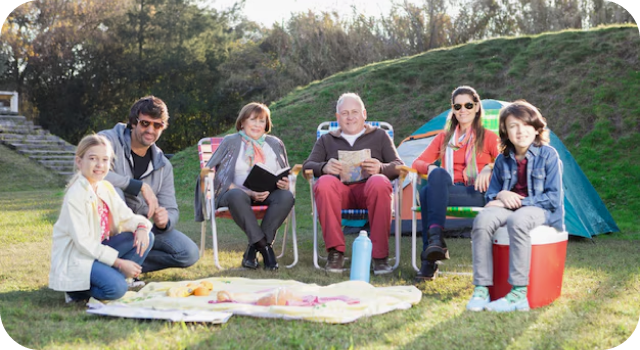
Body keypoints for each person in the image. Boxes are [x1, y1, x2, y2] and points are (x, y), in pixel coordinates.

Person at [466, 100, 564, 312]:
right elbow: (492, 195)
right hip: (507, 206)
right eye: (513, 126)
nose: (520, 131)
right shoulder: (503, 159)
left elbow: (554, 198)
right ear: (505, 131)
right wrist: (502, 193)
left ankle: (519, 293)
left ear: (536, 128)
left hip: (540, 208)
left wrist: (519, 201)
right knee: (482, 219)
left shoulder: (549, 155)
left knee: (517, 220)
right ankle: (482, 289)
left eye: (525, 125)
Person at [303, 92, 404, 275]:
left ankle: (379, 257)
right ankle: (335, 253)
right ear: (337, 117)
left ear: (364, 114)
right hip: (340, 194)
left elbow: (399, 167)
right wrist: (324, 167)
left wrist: (381, 168)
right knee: (324, 183)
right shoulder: (327, 139)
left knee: (380, 182)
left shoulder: (380, 136)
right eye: (345, 113)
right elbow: (307, 166)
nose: (350, 117)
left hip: (370, 191)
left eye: (355, 112)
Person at [99, 96, 199, 276]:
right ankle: (113, 261)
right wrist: (139, 186)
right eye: (145, 123)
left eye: (157, 125)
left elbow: (171, 208)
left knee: (188, 253)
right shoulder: (108, 140)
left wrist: (164, 221)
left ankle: (125, 264)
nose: (150, 130)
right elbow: (93, 172)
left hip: (143, 228)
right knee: (111, 189)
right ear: (133, 122)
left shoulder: (163, 165)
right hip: (110, 226)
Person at [49, 134, 154, 302]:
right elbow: (84, 243)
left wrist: (141, 227)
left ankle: (113, 277)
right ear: (79, 161)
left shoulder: (105, 187)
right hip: (79, 257)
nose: (99, 165)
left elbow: (128, 218)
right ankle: (77, 291)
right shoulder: (75, 195)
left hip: (99, 252)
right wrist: (119, 263)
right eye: (93, 158)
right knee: (117, 289)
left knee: (146, 235)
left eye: (105, 160)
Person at [411, 86, 500, 281]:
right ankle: (435, 243)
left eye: (468, 105)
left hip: (477, 192)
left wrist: (490, 167)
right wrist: (431, 169)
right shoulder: (444, 137)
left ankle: (430, 258)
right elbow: (417, 162)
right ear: (453, 109)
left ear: (476, 107)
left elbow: (507, 161)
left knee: (426, 194)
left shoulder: (488, 137)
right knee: (437, 176)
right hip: (447, 191)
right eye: (457, 106)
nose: (463, 110)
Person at [194, 102, 294, 270]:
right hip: (234, 195)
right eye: (252, 119)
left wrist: (284, 184)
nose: (257, 124)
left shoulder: (275, 143)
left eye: (261, 121)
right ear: (242, 123)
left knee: (287, 196)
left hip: (267, 194)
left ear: (266, 125)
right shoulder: (231, 141)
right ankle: (266, 249)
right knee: (237, 195)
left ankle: (253, 250)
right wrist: (248, 192)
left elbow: (284, 172)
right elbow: (213, 172)